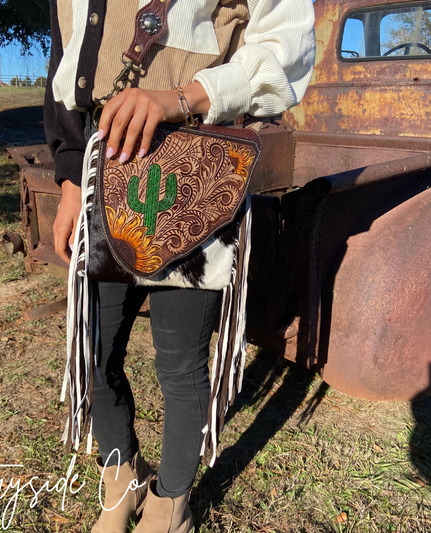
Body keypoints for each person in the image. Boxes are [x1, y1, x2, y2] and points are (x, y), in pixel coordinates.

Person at [45, 1, 315, 532]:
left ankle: (171, 504)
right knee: (95, 353)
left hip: (195, 171)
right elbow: (66, 67)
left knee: (180, 366)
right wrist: (71, 180)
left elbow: (286, 45)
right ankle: (120, 482)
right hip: (105, 172)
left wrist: (181, 98)